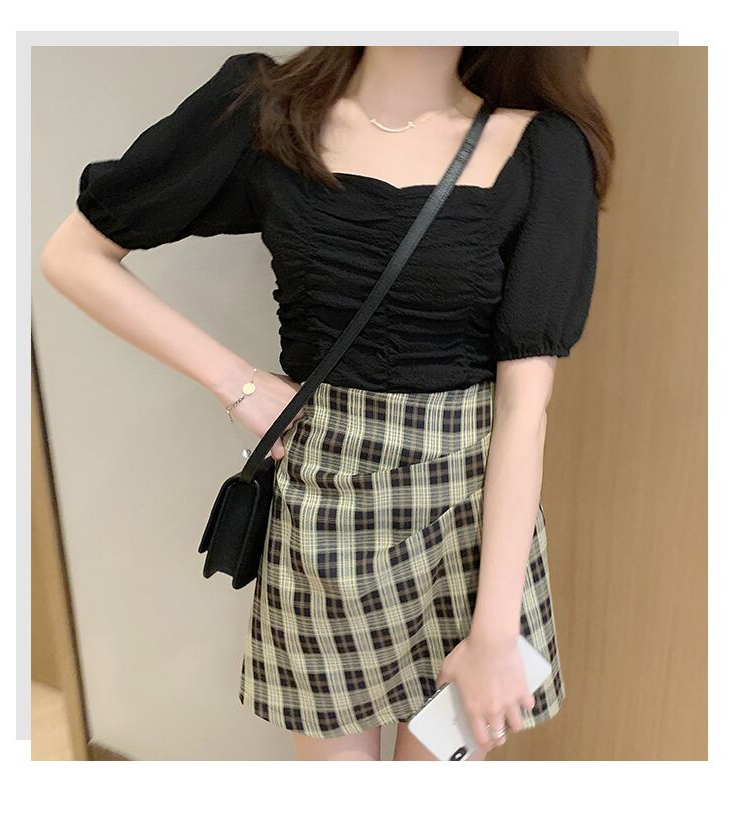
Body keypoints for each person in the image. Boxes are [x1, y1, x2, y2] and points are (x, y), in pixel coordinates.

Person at [40, 46, 613, 761]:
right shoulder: (264, 109)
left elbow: (525, 414)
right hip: (324, 510)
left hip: (476, 521)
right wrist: (237, 383)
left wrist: (495, 633)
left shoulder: (542, 150)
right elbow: (74, 255)